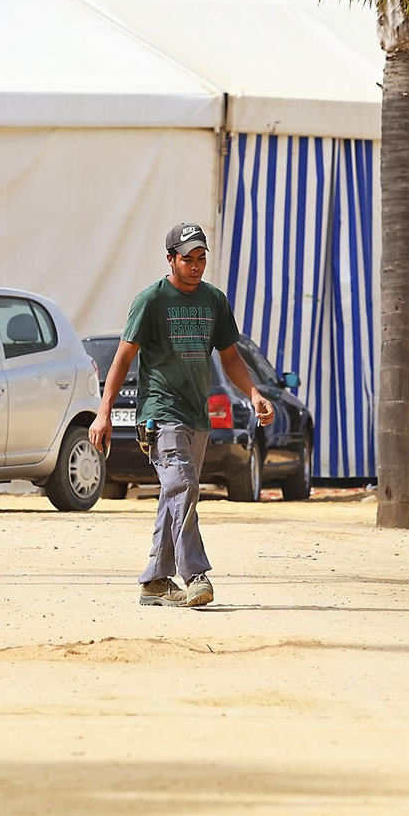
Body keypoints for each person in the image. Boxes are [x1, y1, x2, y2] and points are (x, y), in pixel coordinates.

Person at [88, 222, 275, 608]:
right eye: (187, 258)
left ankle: (155, 581)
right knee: (185, 488)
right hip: (160, 412)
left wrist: (254, 393)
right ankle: (195, 575)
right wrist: (103, 411)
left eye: (201, 258)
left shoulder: (214, 301)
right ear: (170, 259)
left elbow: (230, 357)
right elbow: (124, 357)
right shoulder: (151, 301)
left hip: (196, 415)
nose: (195, 266)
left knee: (174, 495)